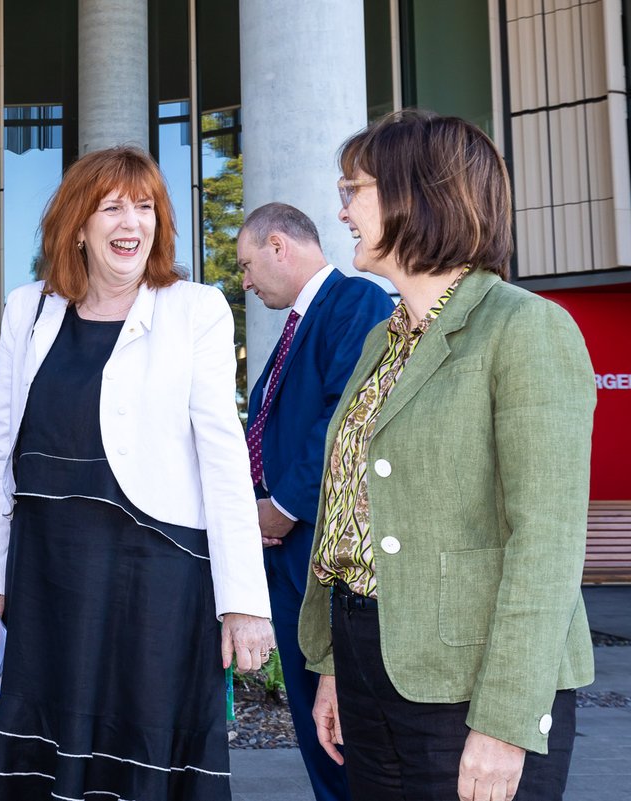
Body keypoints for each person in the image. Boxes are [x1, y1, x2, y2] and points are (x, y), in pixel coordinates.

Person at [298, 109, 596, 801]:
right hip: (370, 662)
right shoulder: (382, 339)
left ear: (418, 194)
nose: (341, 208)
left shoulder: (526, 328)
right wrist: (336, 667)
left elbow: (547, 544)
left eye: (356, 189)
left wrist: (505, 722)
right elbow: (354, 516)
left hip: (473, 687)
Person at [0, 146, 274, 801]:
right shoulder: (28, 308)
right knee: (42, 745)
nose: (131, 221)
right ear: (77, 225)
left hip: (157, 572)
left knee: (142, 751)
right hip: (47, 570)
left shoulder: (196, 309)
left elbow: (224, 458)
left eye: (145, 207)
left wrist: (244, 600)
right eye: (111, 207)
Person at [240, 202, 393, 801]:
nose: (246, 282)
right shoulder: (293, 329)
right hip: (289, 554)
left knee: (344, 730)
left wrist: (282, 505)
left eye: (249, 265)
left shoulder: (356, 302)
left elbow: (345, 416)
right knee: (316, 724)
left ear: (279, 246)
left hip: (323, 551)